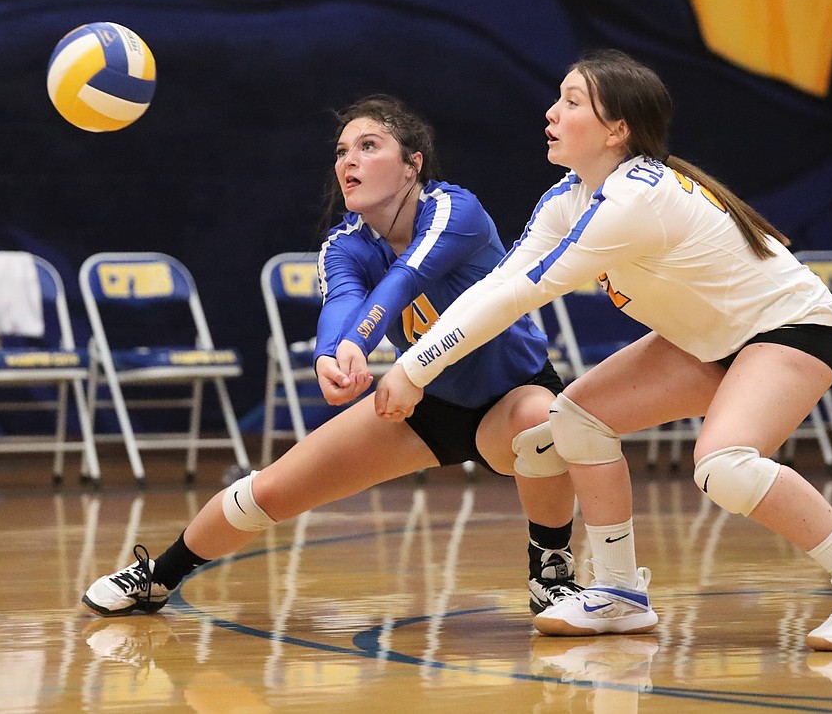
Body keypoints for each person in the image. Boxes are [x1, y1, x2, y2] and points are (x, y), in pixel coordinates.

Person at [375, 49, 832, 651]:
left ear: (618, 130)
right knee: (575, 419)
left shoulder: (636, 202)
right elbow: (502, 281)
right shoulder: (569, 197)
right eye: (557, 97)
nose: (551, 112)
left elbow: (518, 295)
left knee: (725, 466)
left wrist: (414, 366)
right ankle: (618, 594)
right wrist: (417, 363)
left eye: (571, 102)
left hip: (790, 329)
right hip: (708, 341)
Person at [83, 94, 581, 619]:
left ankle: (552, 568)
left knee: (540, 420)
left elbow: (404, 278)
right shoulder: (345, 242)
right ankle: (158, 576)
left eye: (369, 146)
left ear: (414, 164)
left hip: (511, 394)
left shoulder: (456, 211)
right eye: (343, 151)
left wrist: (358, 345)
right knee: (269, 490)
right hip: (423, 403)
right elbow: (342, 303)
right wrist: (330, 357)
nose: (349, 161)